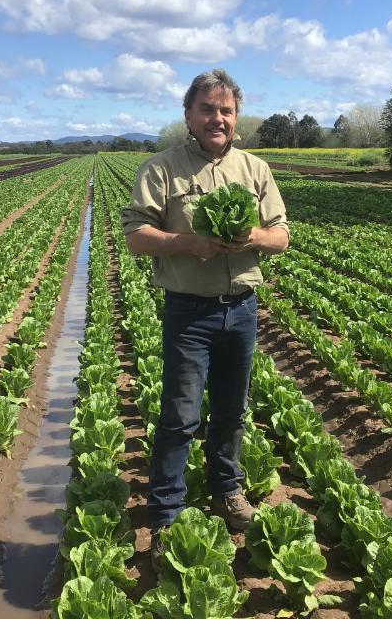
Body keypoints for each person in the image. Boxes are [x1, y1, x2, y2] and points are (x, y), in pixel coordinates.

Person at [120, 68, 289, 570]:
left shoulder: (255, 169)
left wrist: (253, 236)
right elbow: (135, 235)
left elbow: (281, 234)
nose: (218, 118)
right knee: (180, 415)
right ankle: (167, 511)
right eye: (208, 109)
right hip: (188, 311)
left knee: (233, 411)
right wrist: (188, 242)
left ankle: (227, 491)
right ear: (189, 115)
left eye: (226, 110)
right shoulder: (161, 169)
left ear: (236, 118)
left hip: (241, 310)